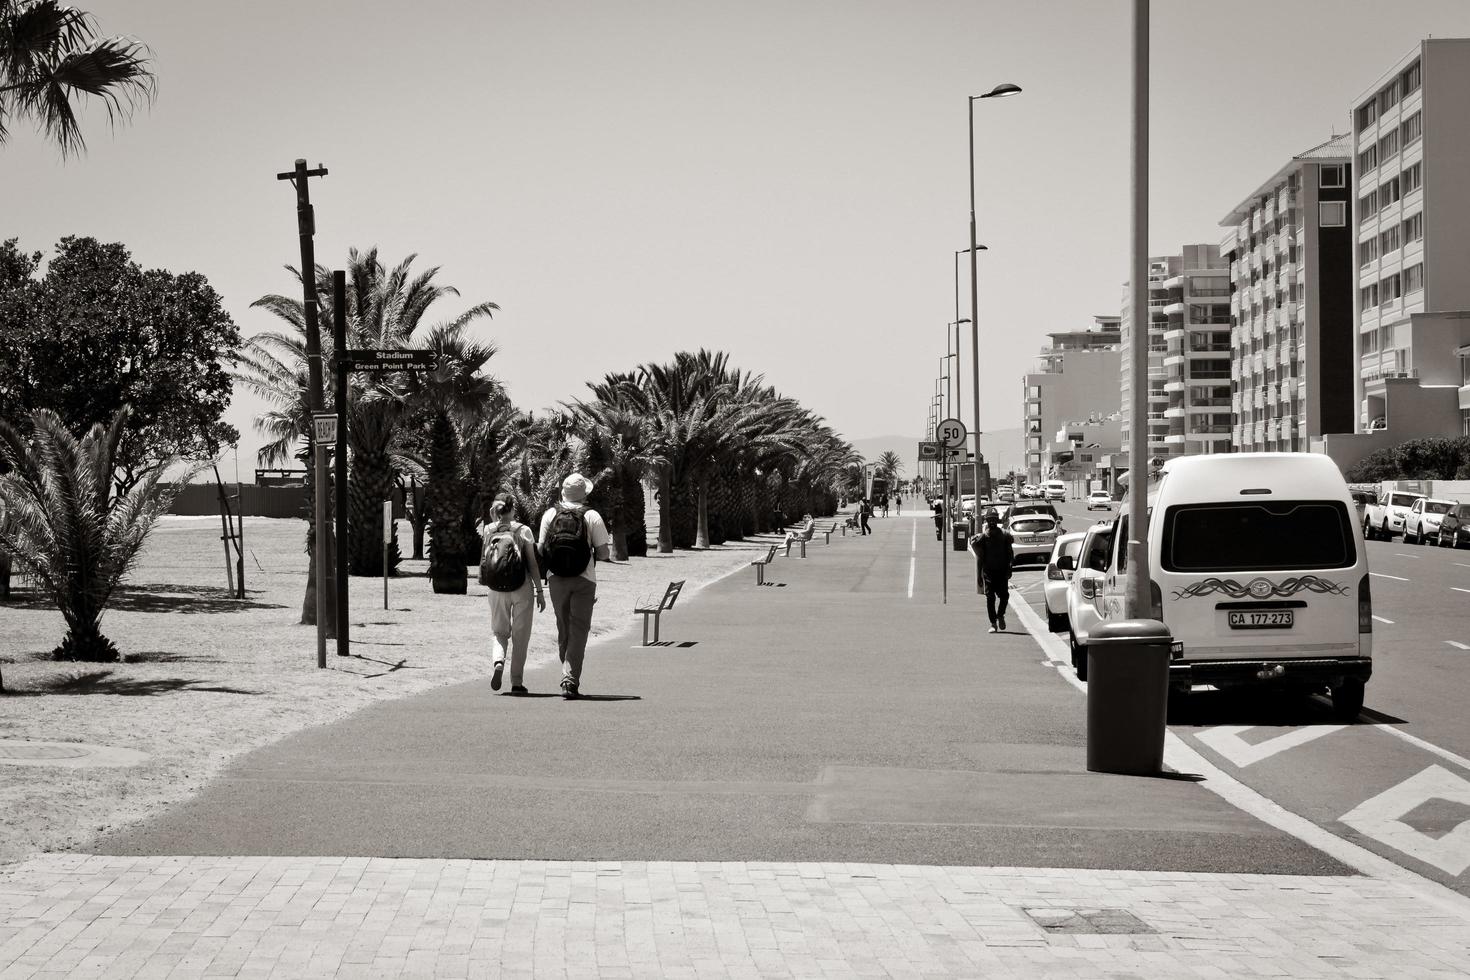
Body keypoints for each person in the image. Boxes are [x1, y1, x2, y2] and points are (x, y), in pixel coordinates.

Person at [538, 473, 612, 698]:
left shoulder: (550, 514)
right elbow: (603, 552)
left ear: (563, 492)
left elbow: (541, 548)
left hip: (556, 578)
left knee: (563, 626)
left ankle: (567, 672)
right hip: (584, 578)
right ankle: (569, 679)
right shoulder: (592, 516)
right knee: (579, 628)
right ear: (585, 494)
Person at [479, 492, 544, 695]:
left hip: (496, 588)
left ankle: (498, 661)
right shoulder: (524, 531)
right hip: (521, 586)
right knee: (520, 636)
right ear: (513, 508)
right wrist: (540, 590)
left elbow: (487, 556)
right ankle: (516, 681)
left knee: (499, 632)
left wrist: (493, 519)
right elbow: (533, 564)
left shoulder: (489, 529)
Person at [970, 508, 1015, 632]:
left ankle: (1000, 615)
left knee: (1004, 596)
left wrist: (1010, 568)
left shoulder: (1005, 535)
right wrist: (979, 576)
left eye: (994, 520)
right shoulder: (983, 538)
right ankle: (993, 623)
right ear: (987, 521)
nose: (992, 522)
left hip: (1002, 572)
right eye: (990, 520)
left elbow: (1010, 554)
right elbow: (980, 557)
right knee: (990, 598)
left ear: (997, 520)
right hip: (988, 573)